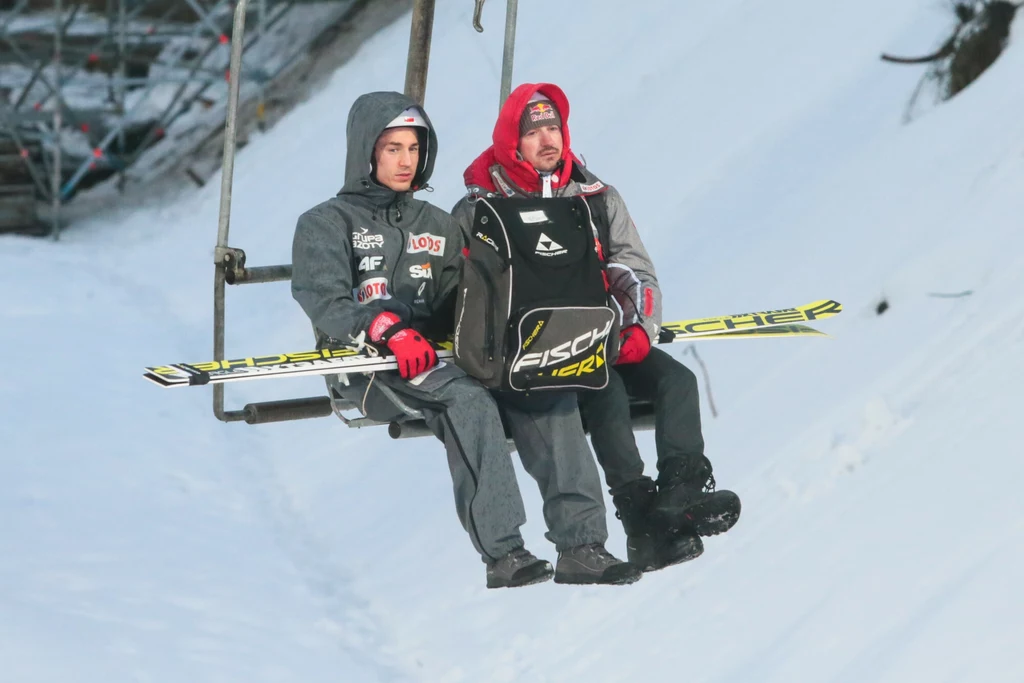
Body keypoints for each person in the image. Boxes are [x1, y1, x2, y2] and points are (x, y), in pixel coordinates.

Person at [290, 91, 641, 587]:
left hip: (441, 354)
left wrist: (518, 334)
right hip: (368, 363)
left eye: (413, 149)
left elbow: (467, 295)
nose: (404, 161)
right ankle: (505, 554)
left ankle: (581, 545)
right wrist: (383, 329)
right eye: (392, 149)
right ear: (366, 150)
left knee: (541, 385)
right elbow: (321, 296)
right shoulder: (326, 223)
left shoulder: (435, 223)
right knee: (468, 402)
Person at [451, 83, 742, 573]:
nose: (548, 140)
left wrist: (639, 327)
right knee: (603, 391)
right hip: (534, 349)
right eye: (534, 132)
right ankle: (640, 515)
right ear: (511, 142)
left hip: (604, 331)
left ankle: (679, 493)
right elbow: (464, 287)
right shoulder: (482, 206)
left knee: (677, 380)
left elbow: (634, 267)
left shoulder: (596, 196)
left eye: (554, 128)